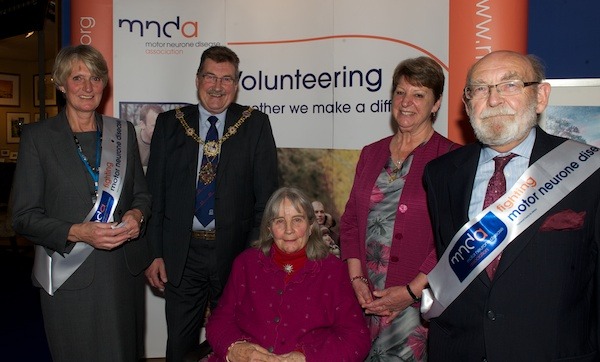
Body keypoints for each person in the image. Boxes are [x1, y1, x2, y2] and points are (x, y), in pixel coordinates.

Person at [424, 50, 600, 360]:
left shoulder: (590, 171)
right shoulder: (441, 174)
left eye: (510, 85)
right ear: (467, 104)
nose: (493, 100)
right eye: (480, 88)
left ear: (541, 97)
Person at [11, 44, 151, 361]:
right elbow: (22, 217)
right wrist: (77, 231)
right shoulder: (38, 138)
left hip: (121, 276)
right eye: (77, 78)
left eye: (96, 78)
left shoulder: (124, 132)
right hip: (69, 275)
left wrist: (137, 215)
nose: (88, 87)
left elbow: (142, 194)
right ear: (61, 85)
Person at [144, 45, 279, 361]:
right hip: (182, 255)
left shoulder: (255, 125)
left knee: (233, 345)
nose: (217, 86)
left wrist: (251, 257)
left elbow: (266, 201)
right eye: (210, 77)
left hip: (235, 254)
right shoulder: (169, 124)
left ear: (236, 83)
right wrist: (155, 254)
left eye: (227, 79)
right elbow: (155, 196)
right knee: (179, 345)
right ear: (197, 79)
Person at [340, 56, 458, 360]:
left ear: (436, 104)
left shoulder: (453, 158)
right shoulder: (371, 153)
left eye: (419, 95)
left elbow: (453, 238)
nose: (406, 102)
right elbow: (351, 222)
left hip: (415, 307)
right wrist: (356, 280)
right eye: (400, 92)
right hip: (362, 299)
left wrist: (409, 293)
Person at [205, 187, 371, 362]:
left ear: (311, 226)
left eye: (297, 220)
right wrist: (235, 349)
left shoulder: (334, 271)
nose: (289, 230)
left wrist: (306, 357)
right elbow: (219, 321)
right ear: (269, 228)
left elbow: (356, 339)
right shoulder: (246, 264)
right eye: (280, 221)